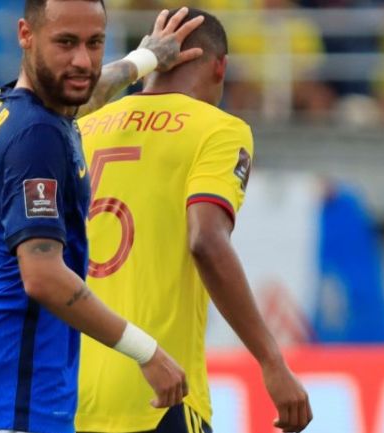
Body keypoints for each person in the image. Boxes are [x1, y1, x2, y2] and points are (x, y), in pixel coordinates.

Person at [0, 3, 205, 433]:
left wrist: (147, 57)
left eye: (94, 43)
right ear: (25, 34)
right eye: (65, 43)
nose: (82, 60)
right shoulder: (37, 138)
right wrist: (148, 352)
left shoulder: (10, 109)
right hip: (11, 398)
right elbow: (42, 276)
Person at [76, 8, 312, 433]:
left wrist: (137, 61)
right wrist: (272, 362)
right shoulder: (218, 130)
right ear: (220, 67)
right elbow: (206, 240)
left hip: (66, 396)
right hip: (156, 393)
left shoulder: (82, 126)